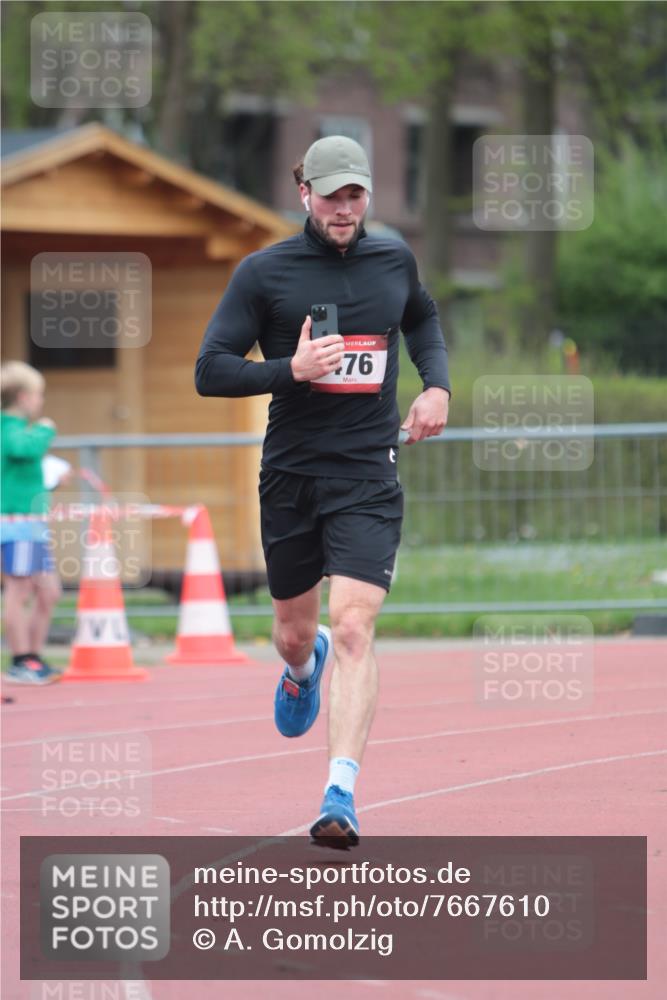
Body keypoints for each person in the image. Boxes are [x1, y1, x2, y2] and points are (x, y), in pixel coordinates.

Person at [196, 135, 450, 847]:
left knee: (353, 626)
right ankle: (300, 673)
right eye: (330, 194)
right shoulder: (262, 273)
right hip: (291, 476)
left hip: (368, 471)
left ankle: (339, 792)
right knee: (296, 633)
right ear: (302, 191)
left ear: (367, 195)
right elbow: (209, 370)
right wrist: (291, 368)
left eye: (355, 195)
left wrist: (437, 386)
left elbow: (422, 318)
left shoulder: (393, 259)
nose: (343, 208)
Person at [1, 361, 62, 684]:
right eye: (38, 396)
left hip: (32, 523)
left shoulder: (16, 429)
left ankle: (33, 657)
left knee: (48, 592)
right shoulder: (9, 428)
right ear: (24, 397)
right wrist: (45, 428)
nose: (41, 403)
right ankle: (20, 660)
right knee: (19, 589)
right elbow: (21, 449)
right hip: (17, 524)